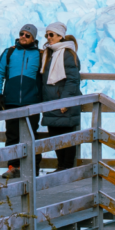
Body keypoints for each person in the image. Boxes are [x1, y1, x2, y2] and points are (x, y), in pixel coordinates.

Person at [0, 23, 42, 180]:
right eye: (21, 34)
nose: (23, 37)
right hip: (12, 101)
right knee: (12, 136)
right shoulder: (9, 52)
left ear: (33, 38)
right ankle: (12, 167)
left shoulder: (40, 54)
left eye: (27, 35)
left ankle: (31, 168)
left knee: (31, 135)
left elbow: (45, 78)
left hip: (32, 102)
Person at [40, 22, 81, 173]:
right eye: (47, 35)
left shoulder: (67, 53)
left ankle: (67, 168)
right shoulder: (48, 54)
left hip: (63, 103)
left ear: (60, 36)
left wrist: (65, 101)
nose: (48, 38)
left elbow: (73, 79)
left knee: (66, 136)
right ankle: (61, 167)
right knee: (55, 135)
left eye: (51, 35)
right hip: (51, 102)